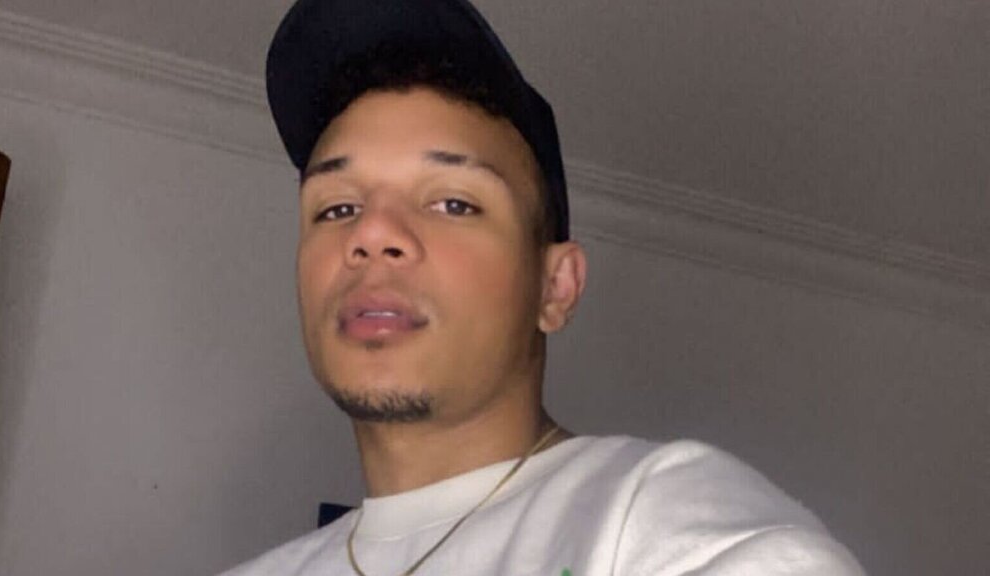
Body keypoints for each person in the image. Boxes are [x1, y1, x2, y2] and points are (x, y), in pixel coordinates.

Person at [222, 0, 865, 574]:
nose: (371, 233)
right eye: (337, 208)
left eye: (452, 203)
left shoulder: (650, 517)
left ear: (555, 288)